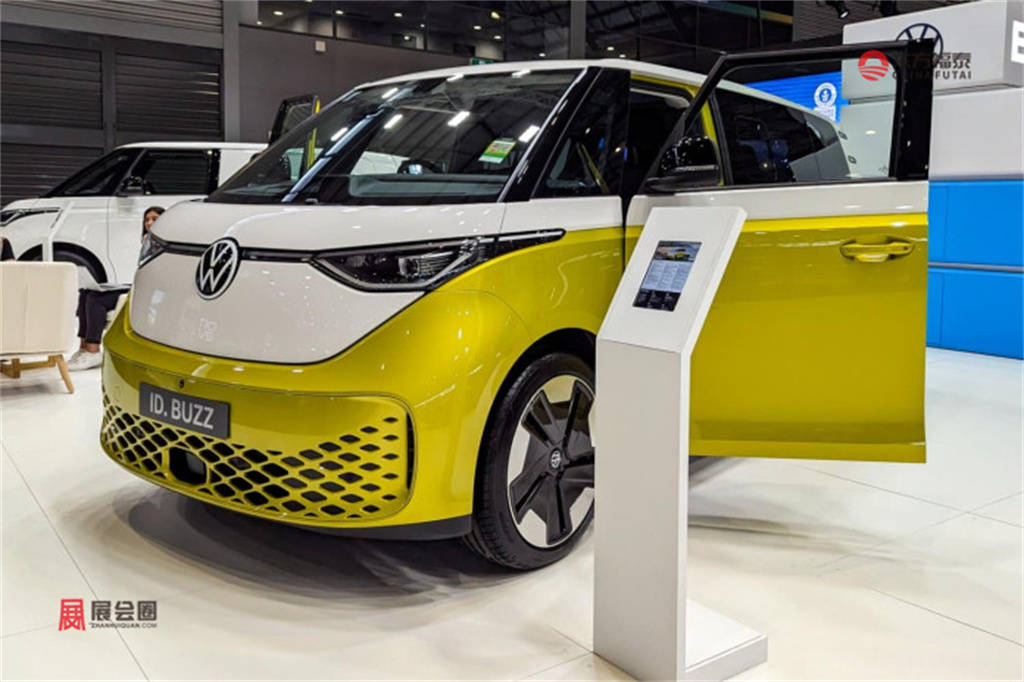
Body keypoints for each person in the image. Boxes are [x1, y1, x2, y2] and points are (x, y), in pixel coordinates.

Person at [66, 206, 164, 371]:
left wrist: (150, 244)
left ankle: (93, 350)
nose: (149, 223)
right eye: (147, 219)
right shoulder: (147, 242)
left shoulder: (165, 244)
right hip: (138, 284)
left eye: (155, 219)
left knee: (96, 299)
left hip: (149, 291)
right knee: (86, 292)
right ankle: (84, 348)